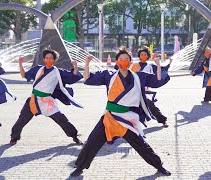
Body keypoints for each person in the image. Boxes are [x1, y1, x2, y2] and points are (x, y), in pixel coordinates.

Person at [70, 47, 171, 177]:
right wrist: (87, 63)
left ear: (130, 62)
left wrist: (158, 65)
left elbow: (158, 81)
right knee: (92, 141)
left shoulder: (138, 76)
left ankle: (159, 165)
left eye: (126, 59)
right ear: (116, 61)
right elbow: (88, 79)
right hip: (110, 117)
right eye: (120, 59)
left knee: (140, 145)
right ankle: (80, 167)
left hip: (127, 118)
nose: (123, 61)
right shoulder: (108, 75)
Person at [9, 49, 83, 145]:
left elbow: (73, 76)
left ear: (54, 60)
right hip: (33, 99)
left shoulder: (58, 72)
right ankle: (14, 137)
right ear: (44, 59)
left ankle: (74, 136)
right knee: (22, 119)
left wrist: (75, 66)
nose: (48, 59)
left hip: (47, 101)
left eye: (51, 58)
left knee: (61, 119)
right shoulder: (37, 69)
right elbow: (24, 75)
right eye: (47, 58)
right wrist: (20, 64)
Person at [129, 46, 172, 127]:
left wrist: (169, 63)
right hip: (134, 90)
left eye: (145, 54)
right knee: (130, 108)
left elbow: (162, 69)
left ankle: (163, 120)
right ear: (139, 55)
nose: (143, 56)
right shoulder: (133, 65)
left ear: (148, 56)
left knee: (150, 105)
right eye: (141, 54)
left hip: (145, 90)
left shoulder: (151, 66)